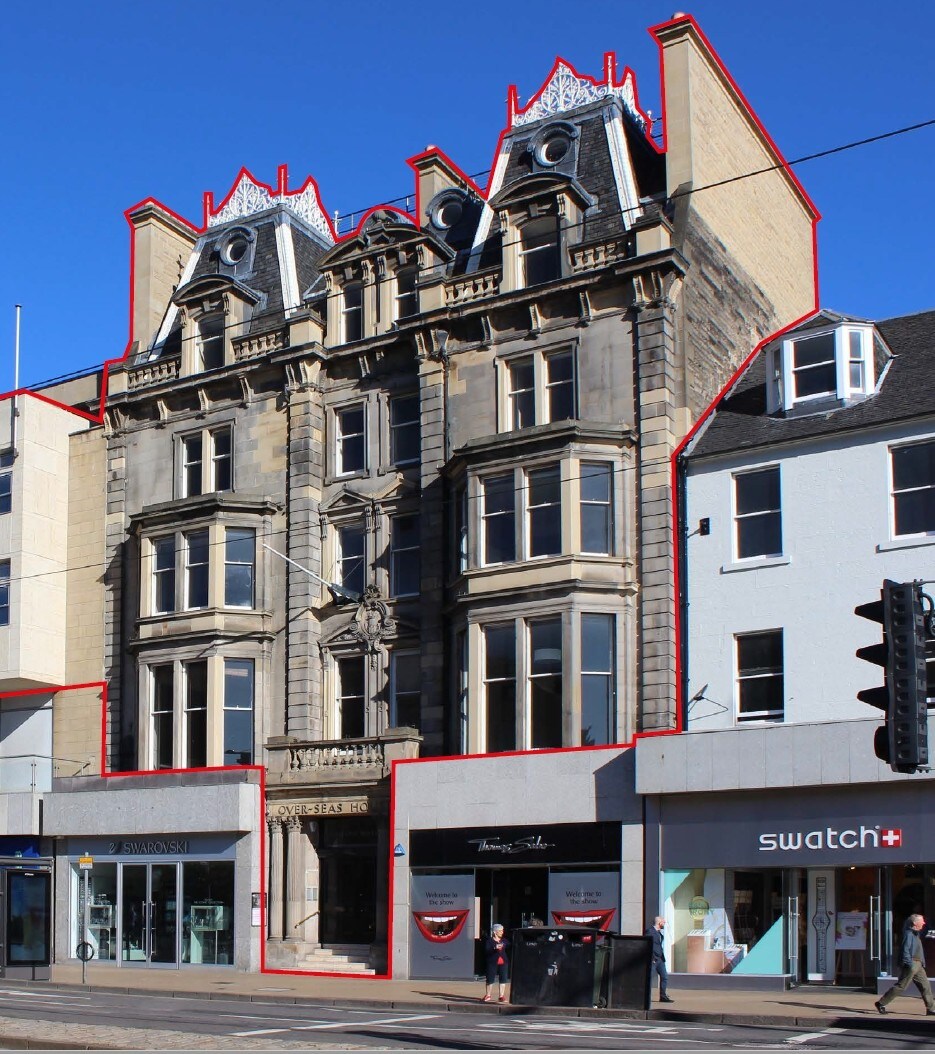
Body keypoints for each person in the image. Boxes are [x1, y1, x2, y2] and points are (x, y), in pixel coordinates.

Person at [875, 914, 935, 1015]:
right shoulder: (909, 934)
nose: (923, 923)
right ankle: (881, 1003)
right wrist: (909, 963)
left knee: (926, 986)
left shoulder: (916, 934)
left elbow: (926, 930)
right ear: (915, 923)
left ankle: (931, 1009)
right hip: (912, 963)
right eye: (922, 921)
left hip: (919, 964)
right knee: (901, 986)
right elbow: (905, 950)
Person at [645, 915, 674, 1003]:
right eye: (663, 922)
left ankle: (663, 996)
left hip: (660, 959)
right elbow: (647, 945)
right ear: (659, 922)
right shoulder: (650, 932)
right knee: (649, 978)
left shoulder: (659, 933)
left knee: (664, 977)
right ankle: (646, 997)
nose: (664, 923)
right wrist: (652, 957)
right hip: (653, 959)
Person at [483, 923, 510, 1003]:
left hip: (503, 962)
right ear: (495, 932)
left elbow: (508, 944)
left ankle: (501, 996)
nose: (502, 932)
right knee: (490, 978)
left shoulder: (504, 940)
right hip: (492, 962)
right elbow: (487, 950)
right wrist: (495, 947)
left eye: (502, 930)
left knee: (503, 978)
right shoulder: (489, 941)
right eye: (500, 931)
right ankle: (488, 995)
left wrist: (504, 945)